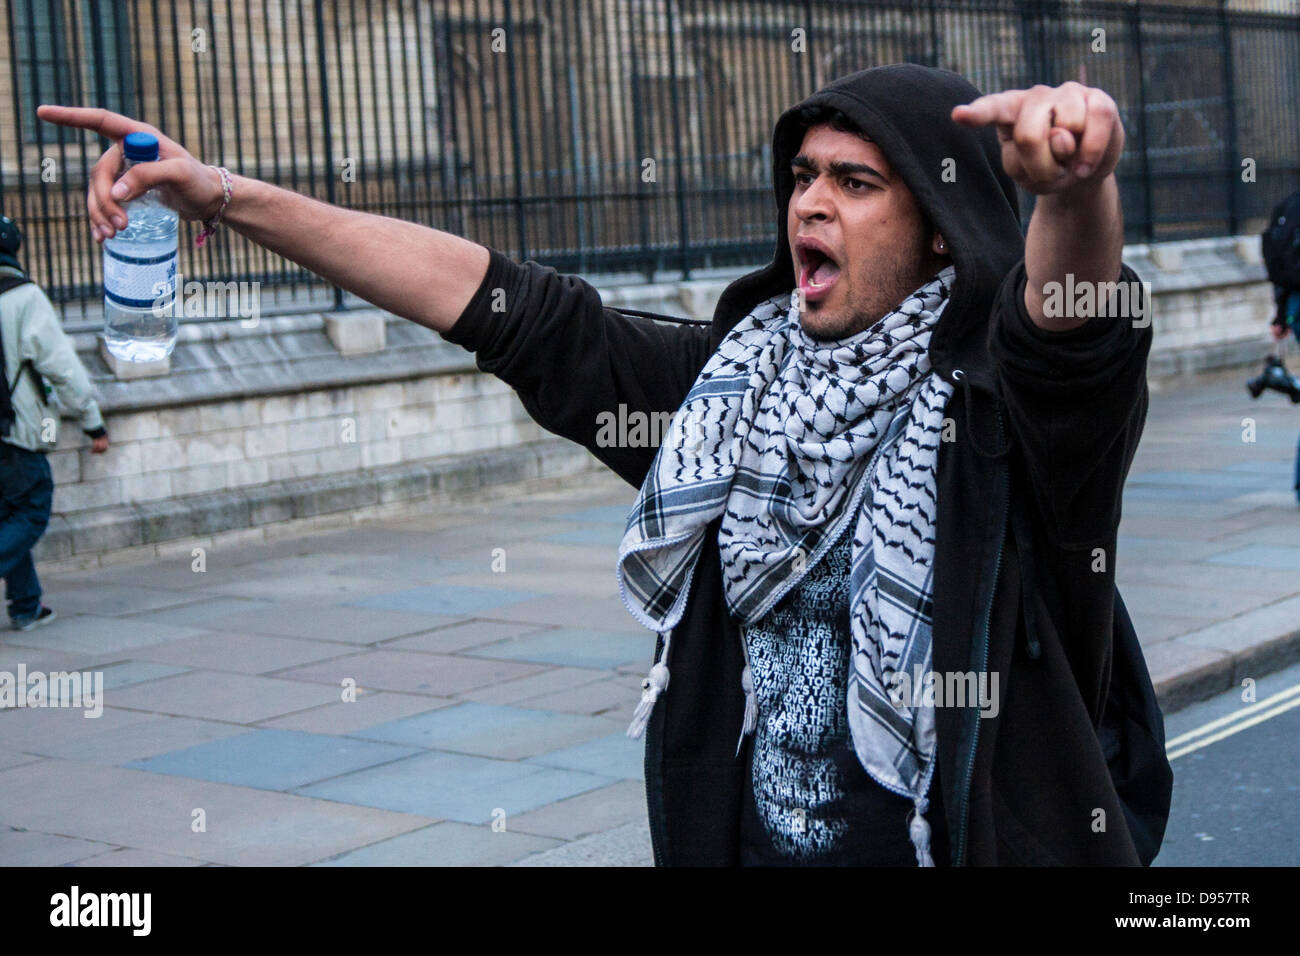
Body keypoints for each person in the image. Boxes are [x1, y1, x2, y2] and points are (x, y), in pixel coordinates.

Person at [38, 62, 1173, 866]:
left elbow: (1068, 335)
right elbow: (511, 309)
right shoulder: (732, 395)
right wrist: (224, 195)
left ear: (938, 222)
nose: (809, 200)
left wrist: (1074, 189)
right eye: (803, 175)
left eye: (856, 181)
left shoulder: (1004, 424)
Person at [1, 214, 110, 631]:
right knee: (30, 512)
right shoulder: (24, 296)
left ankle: (27, 605)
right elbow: (63, 368)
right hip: (14, 430)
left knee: (8, 515)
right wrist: (92, 423)